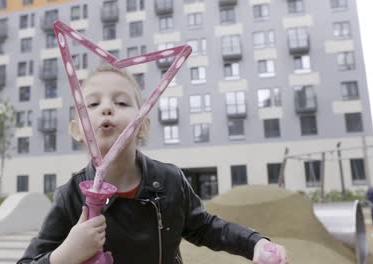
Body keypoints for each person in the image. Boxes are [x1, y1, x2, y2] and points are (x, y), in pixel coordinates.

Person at [17, 64, 287, 264]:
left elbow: (205, 227)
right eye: (93, 104)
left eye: (121, 102)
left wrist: (254, 244)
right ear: (77, 130)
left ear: (143, 125)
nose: (107, 108)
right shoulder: (70, 196)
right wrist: (65, 255)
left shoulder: (170, 180)